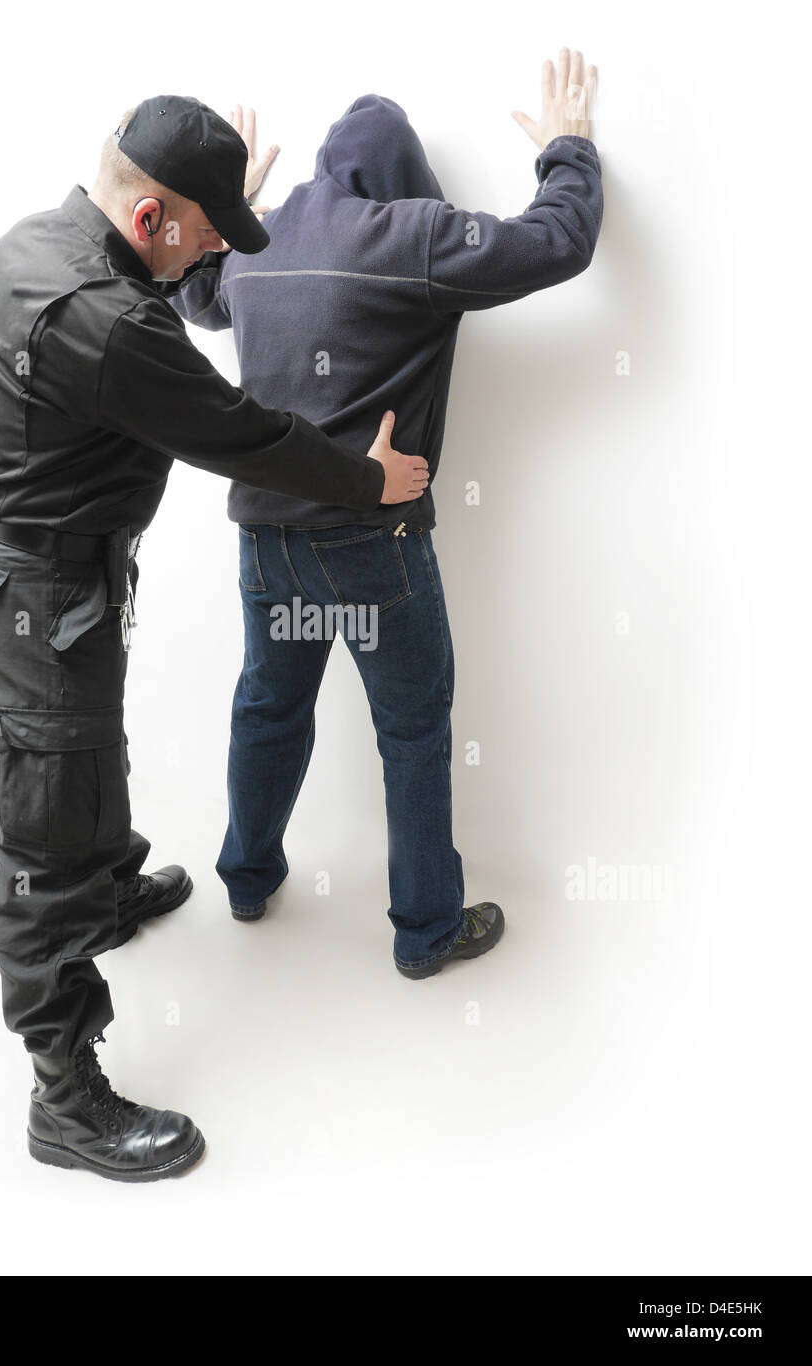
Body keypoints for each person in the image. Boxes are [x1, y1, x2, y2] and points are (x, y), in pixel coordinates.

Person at [0, 94, 429, 1182]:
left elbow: (167, 296)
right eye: (208, 229)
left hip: (47, 585)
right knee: (44, 838)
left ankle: (112, 886)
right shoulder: (113, 322)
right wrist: (371, 478)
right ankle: (63, 1094)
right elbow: (244, 434)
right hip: (42, 598)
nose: (219, 250)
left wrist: (222, 214)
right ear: (153, 220)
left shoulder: (41, 241)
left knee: (88, 752)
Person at [168, 52, 602, 977]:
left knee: (267, 708)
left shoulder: (264, 239)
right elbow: (558, 240)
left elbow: (198, 297)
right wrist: (568, 146)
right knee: (410, 732)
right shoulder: (413, 235)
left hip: (266, 543)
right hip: (373, 541)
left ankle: (246, 881)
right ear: (405, 177)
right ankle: (424, 934)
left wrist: (232, 215)